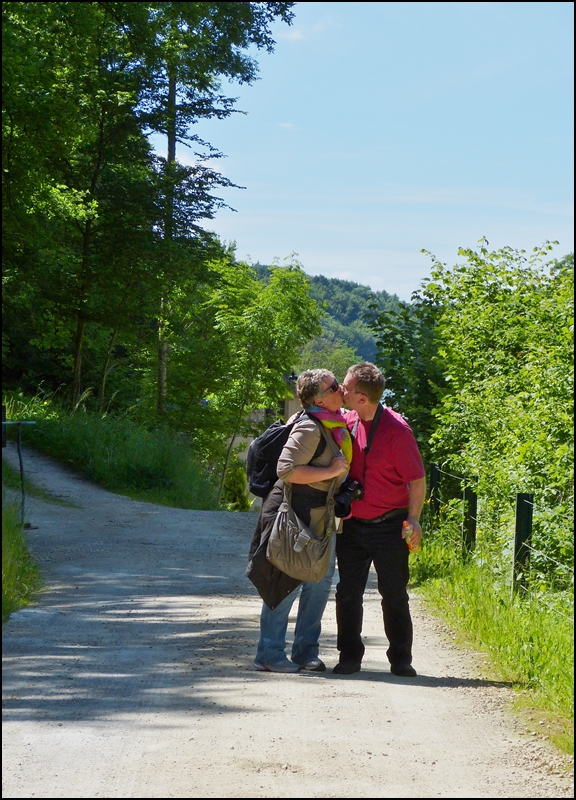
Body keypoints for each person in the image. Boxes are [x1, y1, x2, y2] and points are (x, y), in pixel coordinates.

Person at [252, 369, 350, 673]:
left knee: (319, 584)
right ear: (319, 398)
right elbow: (286, 470)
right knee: (287, 581)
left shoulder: (333, 423)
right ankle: (268, 653)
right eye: (335, 386)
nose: (341, 388)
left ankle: (306, 651)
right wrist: (330, 472)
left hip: (321, 514)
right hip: (294, 513)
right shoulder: (309, 427)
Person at [334, 362, 426, 677]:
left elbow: (417, 480)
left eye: (345, 387)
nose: (340, 390)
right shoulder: (346, 420)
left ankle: (401, 659)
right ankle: (349, 657)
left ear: (362, 398)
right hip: (352, 524)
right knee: (347, 592)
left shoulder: (397, 431)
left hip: (390, 525)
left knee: (395, 593)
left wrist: (414, 520)